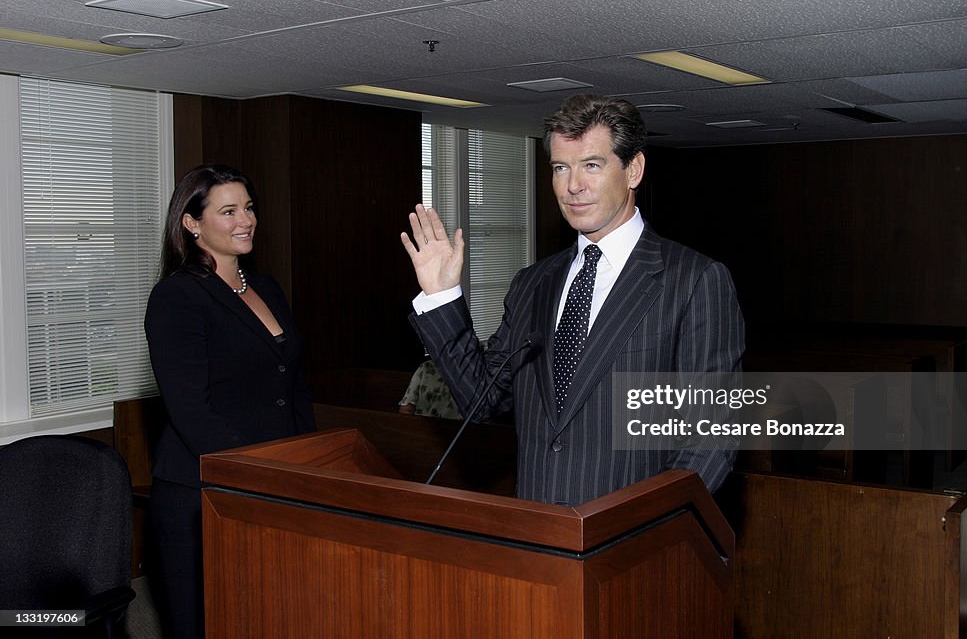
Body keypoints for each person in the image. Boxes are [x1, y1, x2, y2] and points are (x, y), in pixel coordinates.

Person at [401, 94, 745, 506]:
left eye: (592, 166)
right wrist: (442, 296)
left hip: (633, 544)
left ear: (633, 170)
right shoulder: (532, 283)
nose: (572, 185)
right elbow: (481, 402)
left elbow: (711, 436)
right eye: (561, 168)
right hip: (537, 532)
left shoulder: (694, 279)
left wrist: (647, 528)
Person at [144, 164, 316, 639]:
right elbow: (190, 409)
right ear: (191, 223)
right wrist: (254, 471)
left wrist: (309, 461)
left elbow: (292, 385)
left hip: (275, 481)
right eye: (228, 211)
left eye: (249, 207)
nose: (246, 219)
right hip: (203, 492)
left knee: (267, 615)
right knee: (200, 622)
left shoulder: (268, 288)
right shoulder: (177, 297)